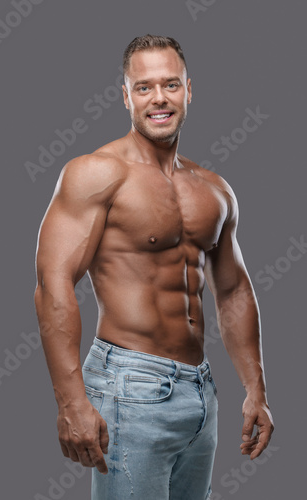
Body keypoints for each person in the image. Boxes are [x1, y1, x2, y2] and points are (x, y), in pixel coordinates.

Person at [34, 34, 274, 500]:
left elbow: (233, 289)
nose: (159, 98)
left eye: (170, 84)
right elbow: (53, 283)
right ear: (125, 96)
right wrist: (70, 401)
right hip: (129, 383)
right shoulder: (97, 173)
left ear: (189, 89)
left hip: (199, 389)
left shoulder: (214, 189)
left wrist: (255, 390)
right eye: (143, 87)